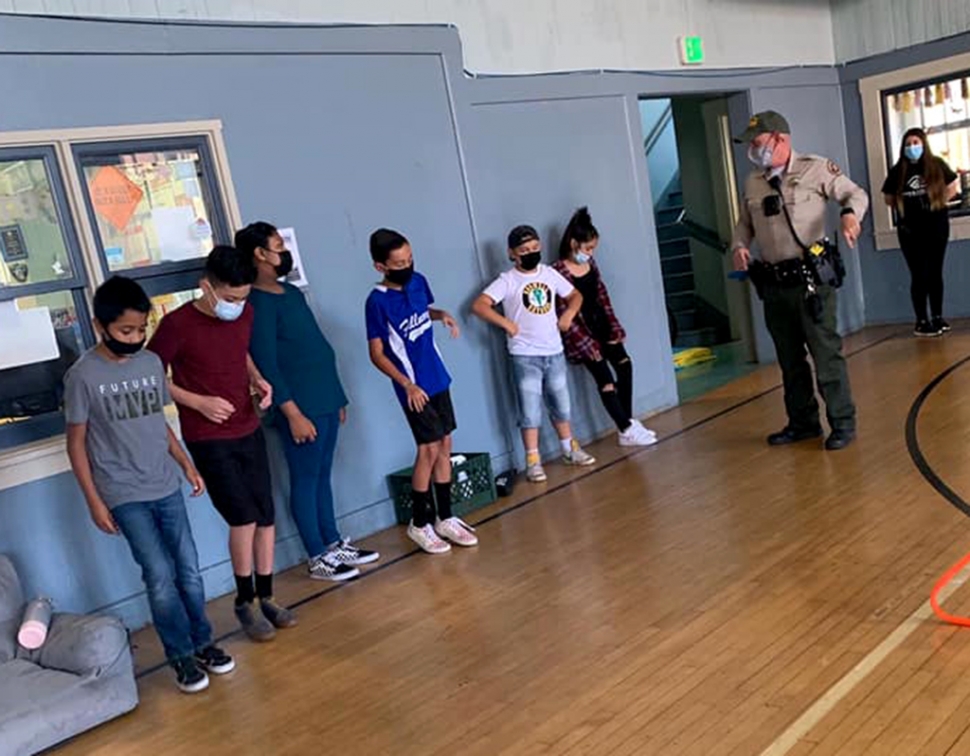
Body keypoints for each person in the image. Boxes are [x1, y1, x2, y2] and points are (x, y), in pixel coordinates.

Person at [64, 276, 234, 694]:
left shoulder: (151, 364)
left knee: (189, 571)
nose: (136, 338)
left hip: (164, 483)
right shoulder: (82, 376)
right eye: (126, 331)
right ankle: (179, 655)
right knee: (159, 575)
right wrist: (94, 502)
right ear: (99, 325)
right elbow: (77, 443)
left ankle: (202, 642)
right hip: (123, 492)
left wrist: (185, 464)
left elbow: (156, 422)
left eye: (141, 330)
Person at [148, 245, 297, 642]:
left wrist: (257, 379)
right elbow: (149, 377)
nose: (238, 305)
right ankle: (243, 601)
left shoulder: (244, 312)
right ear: (206, 288)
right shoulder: (177, 325)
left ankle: (267, 596)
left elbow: (240, 352)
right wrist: (197, 401)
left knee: (266, 515)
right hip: (209, 437)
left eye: (244, 297)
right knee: (243, 517)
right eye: (230, 299)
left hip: (248, 425)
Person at [240, 221, 379, 581]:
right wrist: (292, 412)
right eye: (277, 246)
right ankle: (317, 554)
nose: (283, 252)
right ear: (260, 254)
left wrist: (337, 396)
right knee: (305, 476)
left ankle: (332, 542)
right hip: (299, 406)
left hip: (324, 398)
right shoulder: (257, 303)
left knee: (322, 476)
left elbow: (316, 344)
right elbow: (267, 364)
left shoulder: (291, 294)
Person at [731, 110, 869, 451]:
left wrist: (850, 215)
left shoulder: (814, 168)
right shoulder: (753, 181)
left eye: (758, 142)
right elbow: (744, 222)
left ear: (780, 139)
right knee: (790, 360)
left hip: (811, 282)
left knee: (825, 354)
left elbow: (856, 195)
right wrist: (738, 245)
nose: (753, 149)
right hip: (774, 284)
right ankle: (803, 422)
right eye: (750, 144)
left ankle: (842, 422)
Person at [365, 228, 478, 554]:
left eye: (410, 258)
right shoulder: (376, 302)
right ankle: (420, 522)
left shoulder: (418, 282)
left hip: (436, 377)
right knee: (427, 450)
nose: (407, 265)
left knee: (445, 443)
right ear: (380, 266)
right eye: (399, 262)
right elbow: (376, 353)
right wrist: (406, 384)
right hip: (413, 386)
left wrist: (441, 314)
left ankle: (445, 517)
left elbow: (421, 313)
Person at [473, 224, 597, 482]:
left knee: (561, 404)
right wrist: (505, 323)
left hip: (553, 351)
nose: (531, 253)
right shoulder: (507, 280)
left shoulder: (549, 274)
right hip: (524, 354)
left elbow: (575, 296)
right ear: (512, 253)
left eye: (535, 248)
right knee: (529, 410)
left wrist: (569, 314)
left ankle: (569, 447)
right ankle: (533, 459)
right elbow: (480, 305)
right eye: (524, 250)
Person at [552, 207, 657, 447]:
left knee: (625, 365)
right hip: (582, 333)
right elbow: (562, 310)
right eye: (587, 248)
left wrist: (614, 328)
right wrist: (585, 345)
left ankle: (627, 423)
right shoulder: (558, 271)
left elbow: (602, 295)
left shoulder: (591, 264)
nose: (590, 253)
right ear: (573, 243)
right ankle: (625, 427)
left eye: (593, 249)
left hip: (602, 324)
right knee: (605, 379)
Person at [881, 127, 960, 337]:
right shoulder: (898, 170)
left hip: (937, 227)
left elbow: (953, 185)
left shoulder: (937, 165)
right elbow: (888, 198)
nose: (912, 147)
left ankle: (937, 316)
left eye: (916, 143)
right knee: (919, 275)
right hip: (910, 232)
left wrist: (939, 200)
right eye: (908, 144)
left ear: (923, 144)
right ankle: (921, 320)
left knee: (935, 273)